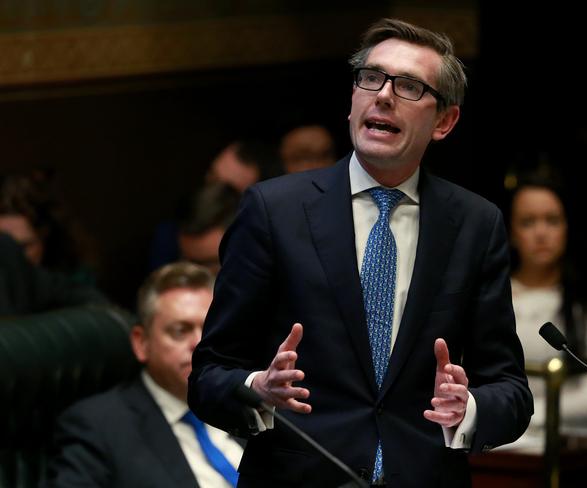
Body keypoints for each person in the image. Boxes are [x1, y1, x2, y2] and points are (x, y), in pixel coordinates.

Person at [189, 18, 532, 488]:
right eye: (371, 78)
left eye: (409, 86)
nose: (384, 95)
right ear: (352, 102)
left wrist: (467, 408)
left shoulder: (476, 224)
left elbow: (512, 391)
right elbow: (208, 375)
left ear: (445, 121)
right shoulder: (274, 211)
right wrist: (258, 390)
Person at [44, 262, 244, 488]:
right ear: (142, 342)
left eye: (209, 329)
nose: (199, 344)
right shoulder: (98, 426)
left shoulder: (247, 401)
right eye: (180, 331)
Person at [500, 170, 587, 450]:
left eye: (552, 220)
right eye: (528, 222)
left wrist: (527, 415)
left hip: (580, 441)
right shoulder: (493, 295)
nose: (541, 233)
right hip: (509, 443)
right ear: (512, 232)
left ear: (567, 226)